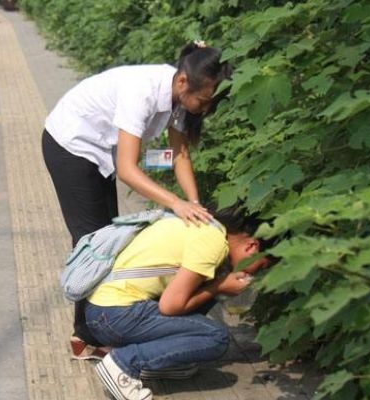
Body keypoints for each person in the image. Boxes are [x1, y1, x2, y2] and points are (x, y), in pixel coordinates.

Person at [41, 40, 232, 358]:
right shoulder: (141, 91)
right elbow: (128, 170)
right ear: (184, 82)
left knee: (112, 239)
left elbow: (178, 154)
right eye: (203, 101)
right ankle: (88, 335)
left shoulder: (179, 97)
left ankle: (92, 331)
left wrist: (194, 202)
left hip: (101, 152)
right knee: (95, 243)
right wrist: (175, 203)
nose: (204, 109)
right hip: (70, 147)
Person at [85, 206, 270, 400]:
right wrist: (218, 287)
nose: (256, 274)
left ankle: (164, 362)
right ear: (252, 246)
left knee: (203, 290)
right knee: (216, 337)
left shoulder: (204, 224)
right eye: (262, 266)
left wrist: (217, 286)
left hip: (103, 311)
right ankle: (123, 364)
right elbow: (170, 306)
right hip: (115, 315)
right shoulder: (213, 243)